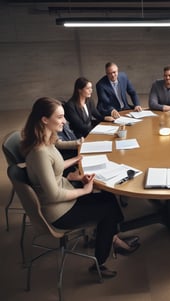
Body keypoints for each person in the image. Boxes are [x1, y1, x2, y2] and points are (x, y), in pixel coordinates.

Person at [21, 97, 139, 278]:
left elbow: (54, 169)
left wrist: (76, 165)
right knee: (108, 209)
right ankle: (100, 263)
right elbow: (53, 194)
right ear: (45, 120)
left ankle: (110, 238)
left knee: (108, 197)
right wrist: (84, 190)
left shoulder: (46, 140)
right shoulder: (40, 153)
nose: (65, 121)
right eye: (60, 117)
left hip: (61, 199)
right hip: (58, 212)